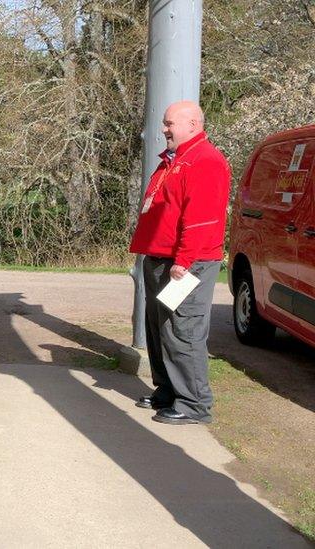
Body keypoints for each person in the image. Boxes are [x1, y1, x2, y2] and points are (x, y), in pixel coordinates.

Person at [129, 100, 231, 425]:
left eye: (169, 123)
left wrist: (183, 261)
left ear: (193, 124)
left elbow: (201, 219)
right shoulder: (175, 160)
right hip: (161, 258)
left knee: (183, 332)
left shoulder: (205, 161)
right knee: (159, 329)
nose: (164, 129)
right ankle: (168, 392)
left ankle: (194, 404)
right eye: (164, 123)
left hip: (186, 264)